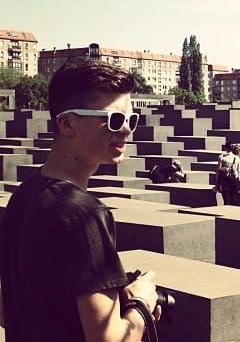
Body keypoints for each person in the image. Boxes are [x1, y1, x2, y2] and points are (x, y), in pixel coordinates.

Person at [0, 60, 161, 341]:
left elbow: (9, 309)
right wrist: (142, 304)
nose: (126, 130)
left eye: (130, 120)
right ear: (67, 123)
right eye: (114, 119)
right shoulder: (84, 215)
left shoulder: (23, 197)